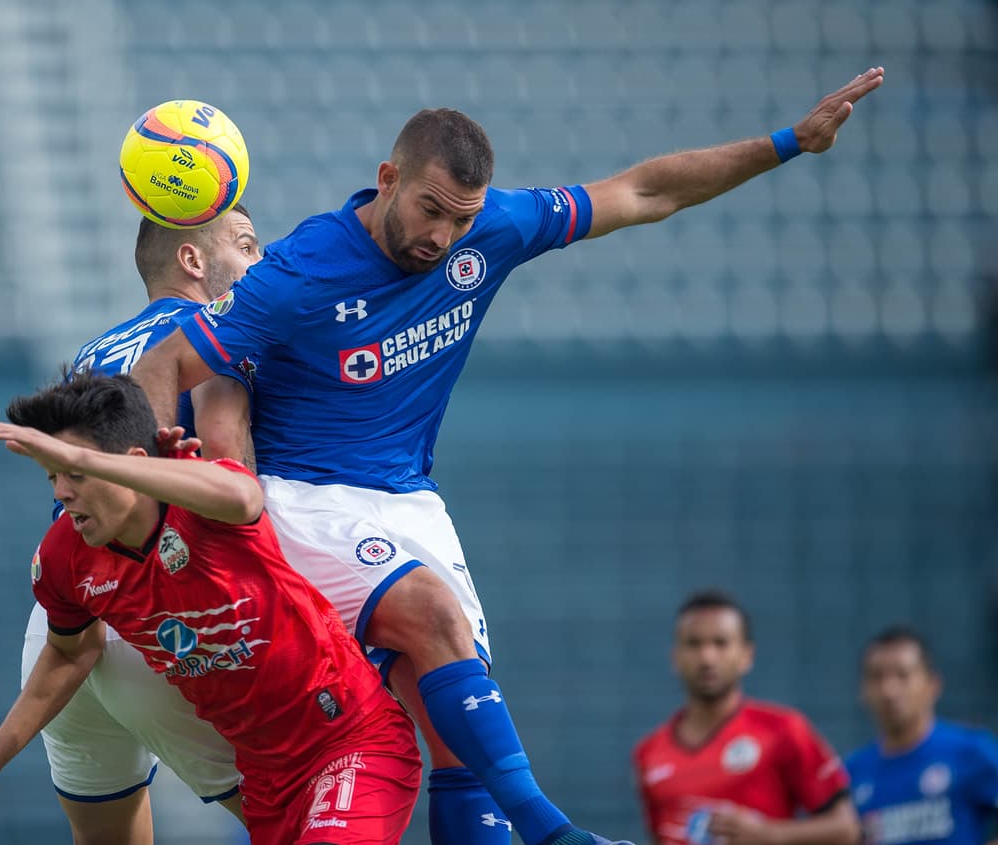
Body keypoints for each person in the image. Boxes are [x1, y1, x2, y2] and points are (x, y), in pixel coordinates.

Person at [130, 69, 885, 845]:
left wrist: (790, 143)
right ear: (387, 180)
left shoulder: (489, 229)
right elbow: (163, 366)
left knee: (460, 735)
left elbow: (643, 193)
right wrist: (161, 519)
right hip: (306, 495)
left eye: (460, 220)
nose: (442, 238)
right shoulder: (301, 270)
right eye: (429, 210)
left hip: (409, 499)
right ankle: (555, 833)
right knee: (433, 617)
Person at [0, 373, 421, 843]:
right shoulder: (64, 557)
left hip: (351, 739)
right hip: (266, 776)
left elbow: (243, 493)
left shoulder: (202, 497)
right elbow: (68, 652)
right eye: (52, 474)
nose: (60, 492)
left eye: (74, 471)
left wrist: (102, 462)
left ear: (135, 462)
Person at [0, 207, 262, 844]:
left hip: (65, 621)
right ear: (193, 262)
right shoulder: (221, 338)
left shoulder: (93, 354)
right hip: (162, 620)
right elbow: (236, 481)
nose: (259, 265)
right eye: (246, 247)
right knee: (302, 824)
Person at [632, 590, 860, 845]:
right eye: (694, 644)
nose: (707, 657)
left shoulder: (783, 730)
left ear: (746, 655)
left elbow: (847, 829)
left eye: (721, 643)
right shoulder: (649, 753)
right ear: (675, 657)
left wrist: (769, 835)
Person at [846, 625, 998, 845]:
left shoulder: (971, 751)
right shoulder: (853, 773)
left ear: (932, 685)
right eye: (877, 677)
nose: (889, 690)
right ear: (862, 690)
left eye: (903, 675)